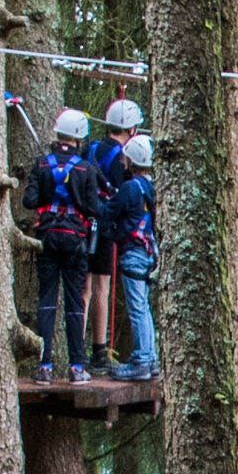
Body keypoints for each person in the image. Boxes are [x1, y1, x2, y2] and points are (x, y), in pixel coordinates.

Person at [24, 107, 102, 379]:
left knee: (46, 300)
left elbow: (29, 201)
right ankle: (76, 366)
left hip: (46, 237)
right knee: (74, 302)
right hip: (75, 241)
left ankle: (44, 366)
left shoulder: (42, 164)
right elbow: (93, 209)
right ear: (80, 138)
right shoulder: (86, 169)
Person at [84, 96, 144, 370]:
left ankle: (77, 350)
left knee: (83, 287)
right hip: (105, 228)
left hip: (82, 223)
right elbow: (124, 196)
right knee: (101, 286)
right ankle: (98, 350)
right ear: (131, 130)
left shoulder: (92, 149)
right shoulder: (120, 160)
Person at [107, 133, 161, 378]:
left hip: (134, 253)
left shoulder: (130, 188)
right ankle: (149, 358)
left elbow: (109, 211)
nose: (123, 162)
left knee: (137, 306)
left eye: (126, 158)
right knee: (143, 306)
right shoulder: (150, 188)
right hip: (147, 253)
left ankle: (142, 360)